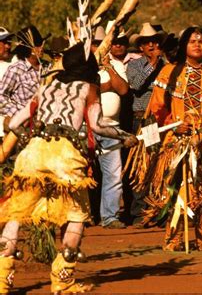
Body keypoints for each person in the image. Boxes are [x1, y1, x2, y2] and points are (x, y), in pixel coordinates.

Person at [0, 42, 138, 293]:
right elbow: (97, 125)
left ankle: (2, 280)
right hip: (65, 157)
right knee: (76, 216)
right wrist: (123, 135)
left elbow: (16, 121)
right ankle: (63, 281)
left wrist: (25, 134)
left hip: (33, 153)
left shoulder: (46, 86)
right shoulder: (89, 88)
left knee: (17, 215)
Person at [140, 26, 202, 252]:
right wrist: (174, 124)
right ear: (183, 45)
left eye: (201, 41)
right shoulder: (170, 72)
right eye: (192, 41)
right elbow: (157, 108)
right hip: (177, 142)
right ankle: (173, 238)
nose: (197, 45)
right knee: (176, 189)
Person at [96, 25, 140, 229]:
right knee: (82, 172)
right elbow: (90, 91)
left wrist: (109, 68)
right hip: (88, 126)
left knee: (113, 173)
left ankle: (110, 216)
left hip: (111, 127)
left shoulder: (116, 64)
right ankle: (83, 214)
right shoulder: (85, 64)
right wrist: (105, 86)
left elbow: (122, 89)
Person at [126, 22, 167, 227]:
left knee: (159, 165)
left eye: (155, 42)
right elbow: (135, 84)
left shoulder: (167, 66)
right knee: (141, 164)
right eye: (147, 43)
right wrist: (152, 63)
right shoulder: (134, 65)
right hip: (143, 120)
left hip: (162, 121)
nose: (152, 45)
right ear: (140, 47)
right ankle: (139, 211)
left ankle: (158, 210)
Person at [0, 26, 48, 129]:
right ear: (28, 49)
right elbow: (1, 96)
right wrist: (19, 114)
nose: (42, 48)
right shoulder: (17, 69)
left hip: (45, 123)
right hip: (21, 127)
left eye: (42, 44)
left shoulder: (48, 68)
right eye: (38, 45)